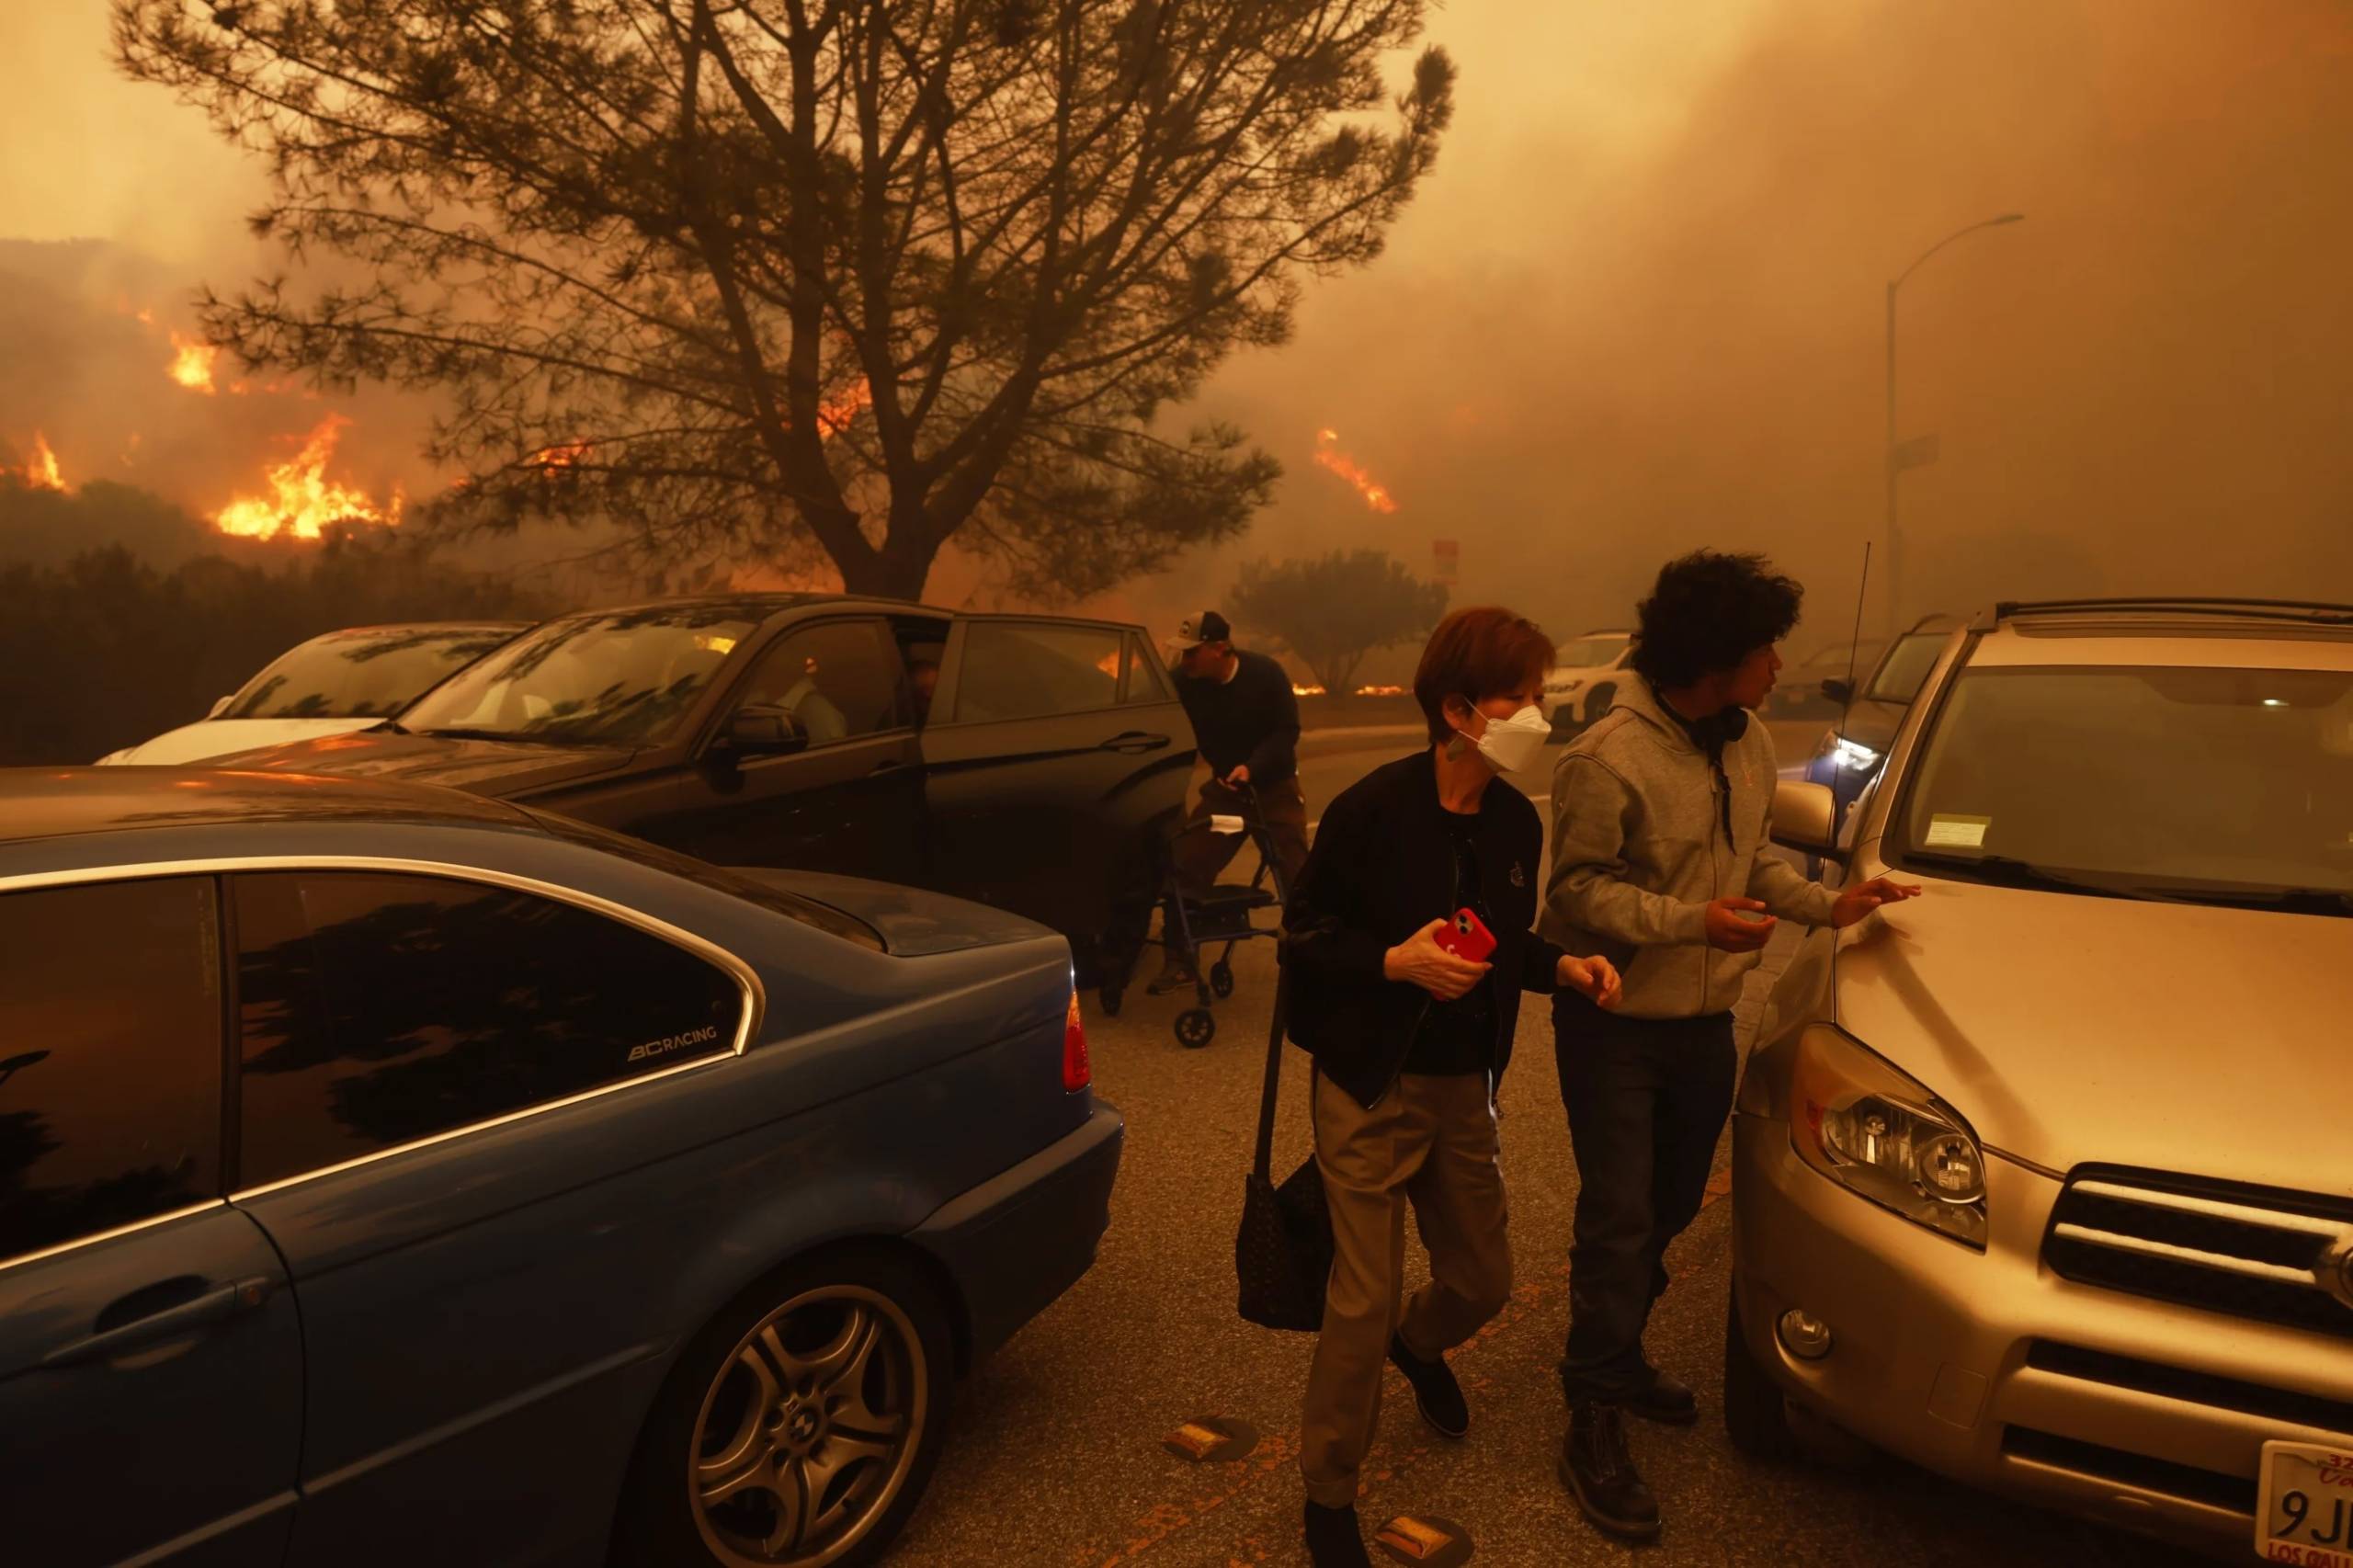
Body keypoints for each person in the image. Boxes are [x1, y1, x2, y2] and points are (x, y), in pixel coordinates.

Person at [1540, 551, 1920, 1542]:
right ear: (1715, 657)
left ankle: (1616, 1352)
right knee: (1620, 1215)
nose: (1778, 663)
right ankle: (1591, 1406)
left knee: (1668, 1206)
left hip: (1704, 1025)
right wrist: (1688, 922)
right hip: (1614, 1024)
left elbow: (1753, 858)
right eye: (1762, 649)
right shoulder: (1605, 756)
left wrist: (1830, 904)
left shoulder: (1746, 740)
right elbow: (1572, 893)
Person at [1282, 607, 1625, 1568]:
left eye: (1540, 694)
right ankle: (1328, 1489)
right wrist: (1392, 962)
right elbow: (1301, 933)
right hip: (1366, 1083)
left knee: (1483, 1279)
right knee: (1361, 1296)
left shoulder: (1517, 820)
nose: (1538, 714)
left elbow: (1497, 940)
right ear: (1459, 708)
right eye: (1523, 696)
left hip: (1462, 1086)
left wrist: (1562, 966)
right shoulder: (1370, 810)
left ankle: (1421, 1344)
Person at [1151, 609, 1313, 993]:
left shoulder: (1266, 675)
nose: (1185, 661)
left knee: (1296, 872)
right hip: (1226, 791)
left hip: (1273, 787)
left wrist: (1252, 767)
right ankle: (1180, 959)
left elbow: (1287, 730)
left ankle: (1308, 959)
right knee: (1187, 862)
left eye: (1193, 653)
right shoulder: (1184, 684)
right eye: (1183, 654)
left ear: (1219, 649)